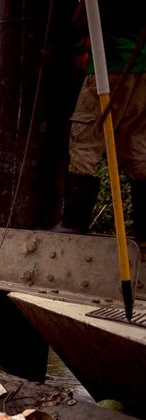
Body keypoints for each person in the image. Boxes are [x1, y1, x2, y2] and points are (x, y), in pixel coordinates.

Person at [55, 2, 146, 250]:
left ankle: (74, 222)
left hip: (110, 68)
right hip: (142, 72)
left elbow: (81, 19)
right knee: (136, 144)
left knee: (86, 139)